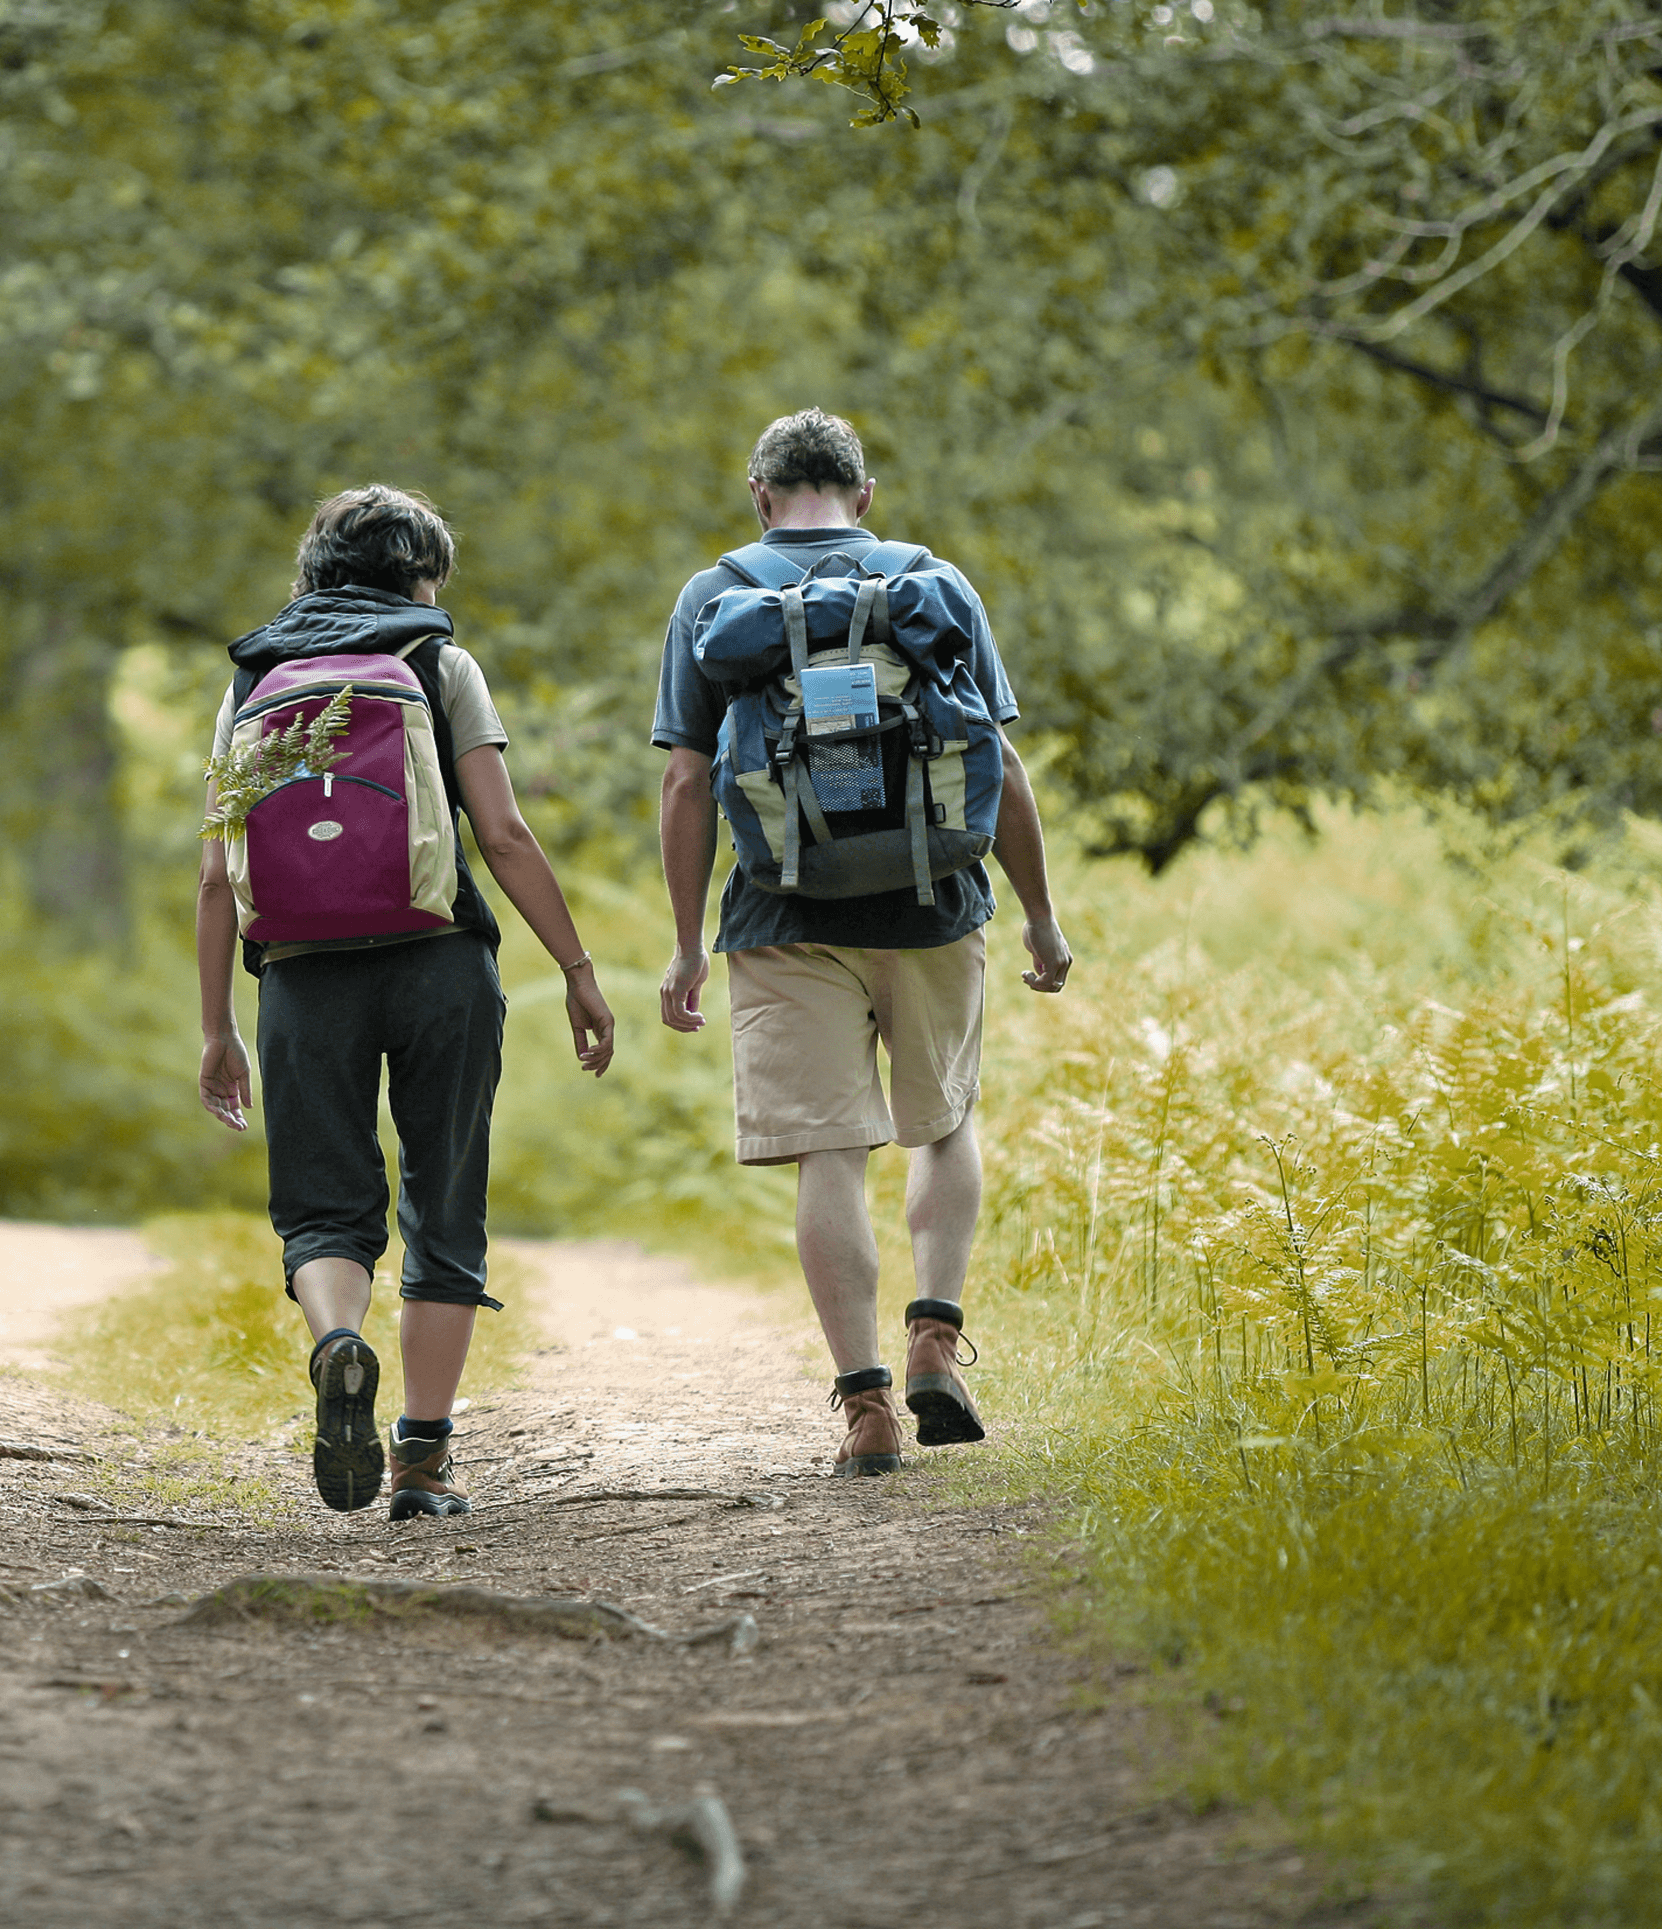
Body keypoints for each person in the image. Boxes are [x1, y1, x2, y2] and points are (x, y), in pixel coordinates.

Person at [652, 411, 1073, 1476]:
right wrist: (1037, 913)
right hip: (933, 903)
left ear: (758, 495)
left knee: (828, 1154)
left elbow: (686, 781)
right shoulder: (932, 584)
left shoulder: (713, 598)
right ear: (864, 494)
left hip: (782, 919)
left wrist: (686, 942)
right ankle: (933, 1337)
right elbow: (1000, 765)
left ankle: (866, 1408)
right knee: (942, 1122)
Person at [196, 486, 616, 1519]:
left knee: (323, 1205)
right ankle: (420, 1461)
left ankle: (339, 1341)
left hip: (298, 972)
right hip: (439, 963)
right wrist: (574, 967)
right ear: (420, 576)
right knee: (443, 1195)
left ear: (313, 569)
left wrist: (216, 1027)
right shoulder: (439, 664)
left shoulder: (255, 674)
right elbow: (504, 834)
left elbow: (216, 873)